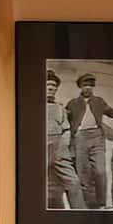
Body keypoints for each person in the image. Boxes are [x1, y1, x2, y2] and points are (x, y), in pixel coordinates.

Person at [65, 73, 113, 210]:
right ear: (80, 87)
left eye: (91, 85)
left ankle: (102, 204)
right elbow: (65, 120)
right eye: (85, 85)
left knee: (100, 171)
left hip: (97, 136)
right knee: (82, 172)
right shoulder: (72, 103)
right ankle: (84, 205)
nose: (88, 88)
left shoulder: (99, 101)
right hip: (80, 138)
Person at [44, 71, 84, 210]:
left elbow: (66, 129)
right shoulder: (29, 106)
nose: (51, 88)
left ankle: (81, 216)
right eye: (48, 84)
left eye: (54, 86)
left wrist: (63, 147)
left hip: (58, 147)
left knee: (73, 182)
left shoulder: (60, 108)